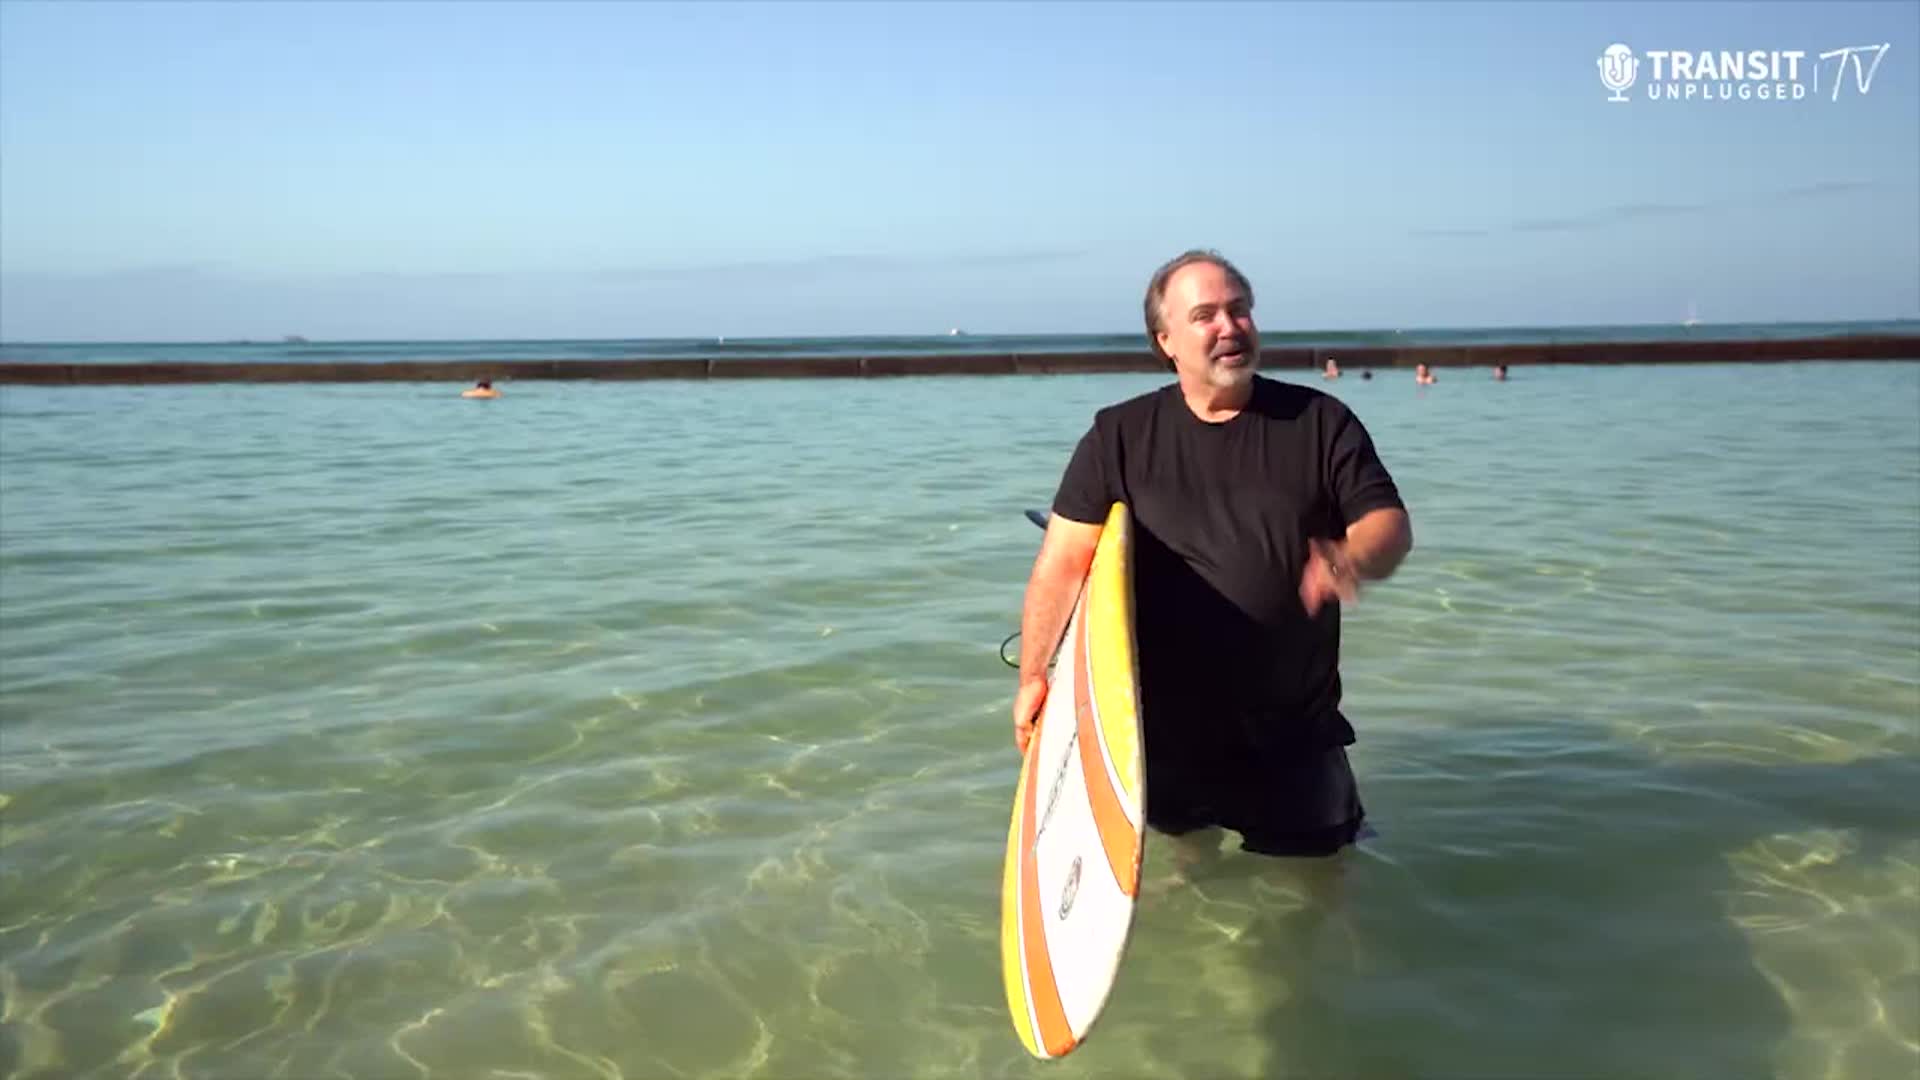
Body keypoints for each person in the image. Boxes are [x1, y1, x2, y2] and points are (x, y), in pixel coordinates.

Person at [1012, 250, 1413, 859]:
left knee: (1317, 902)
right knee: (1188, 873)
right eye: (1206, 315)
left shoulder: (1318, 421)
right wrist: (1036, 677)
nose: (1230, 327)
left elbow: (1387, 524)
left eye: (1240, 310)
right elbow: (1064, 562)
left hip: (1294, 741)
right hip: (1165, 741)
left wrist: (1351, 557)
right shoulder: (1119, 436)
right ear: (1165, 339)